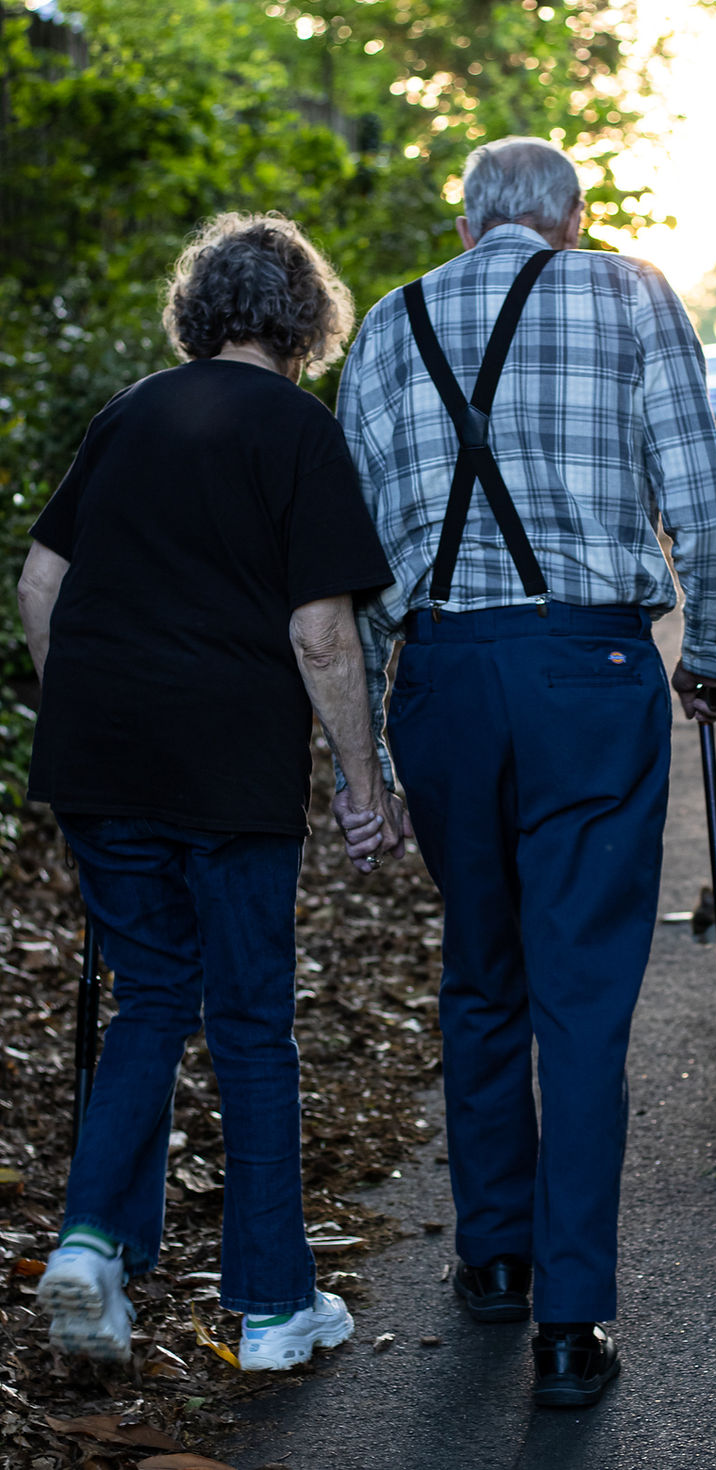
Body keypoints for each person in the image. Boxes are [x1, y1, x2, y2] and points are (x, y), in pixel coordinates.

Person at [335, 137, 716, 1408]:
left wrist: (366, 758)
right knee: (579, 995)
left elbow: (350, 567)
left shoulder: (387, 326)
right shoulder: (628, 290)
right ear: (571, 217)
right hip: (588, 668)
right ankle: (569, 1328)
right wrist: (707, 653)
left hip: (443, 680)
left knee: (480, 973)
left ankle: (493, 1260)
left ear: (464, 228)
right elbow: (702, 508)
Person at [17, 211, 407, 1371]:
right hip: (230, 769)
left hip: (101, 759)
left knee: (149, 1000)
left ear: (197, 312)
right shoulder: (297, 430)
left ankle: (89, 1243)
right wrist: (363, 779)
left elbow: (40, 583)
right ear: (305, 322)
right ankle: (275, 1308)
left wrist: (86, 707)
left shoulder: (130, 412)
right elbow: (320, 634)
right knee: (249, 1028)